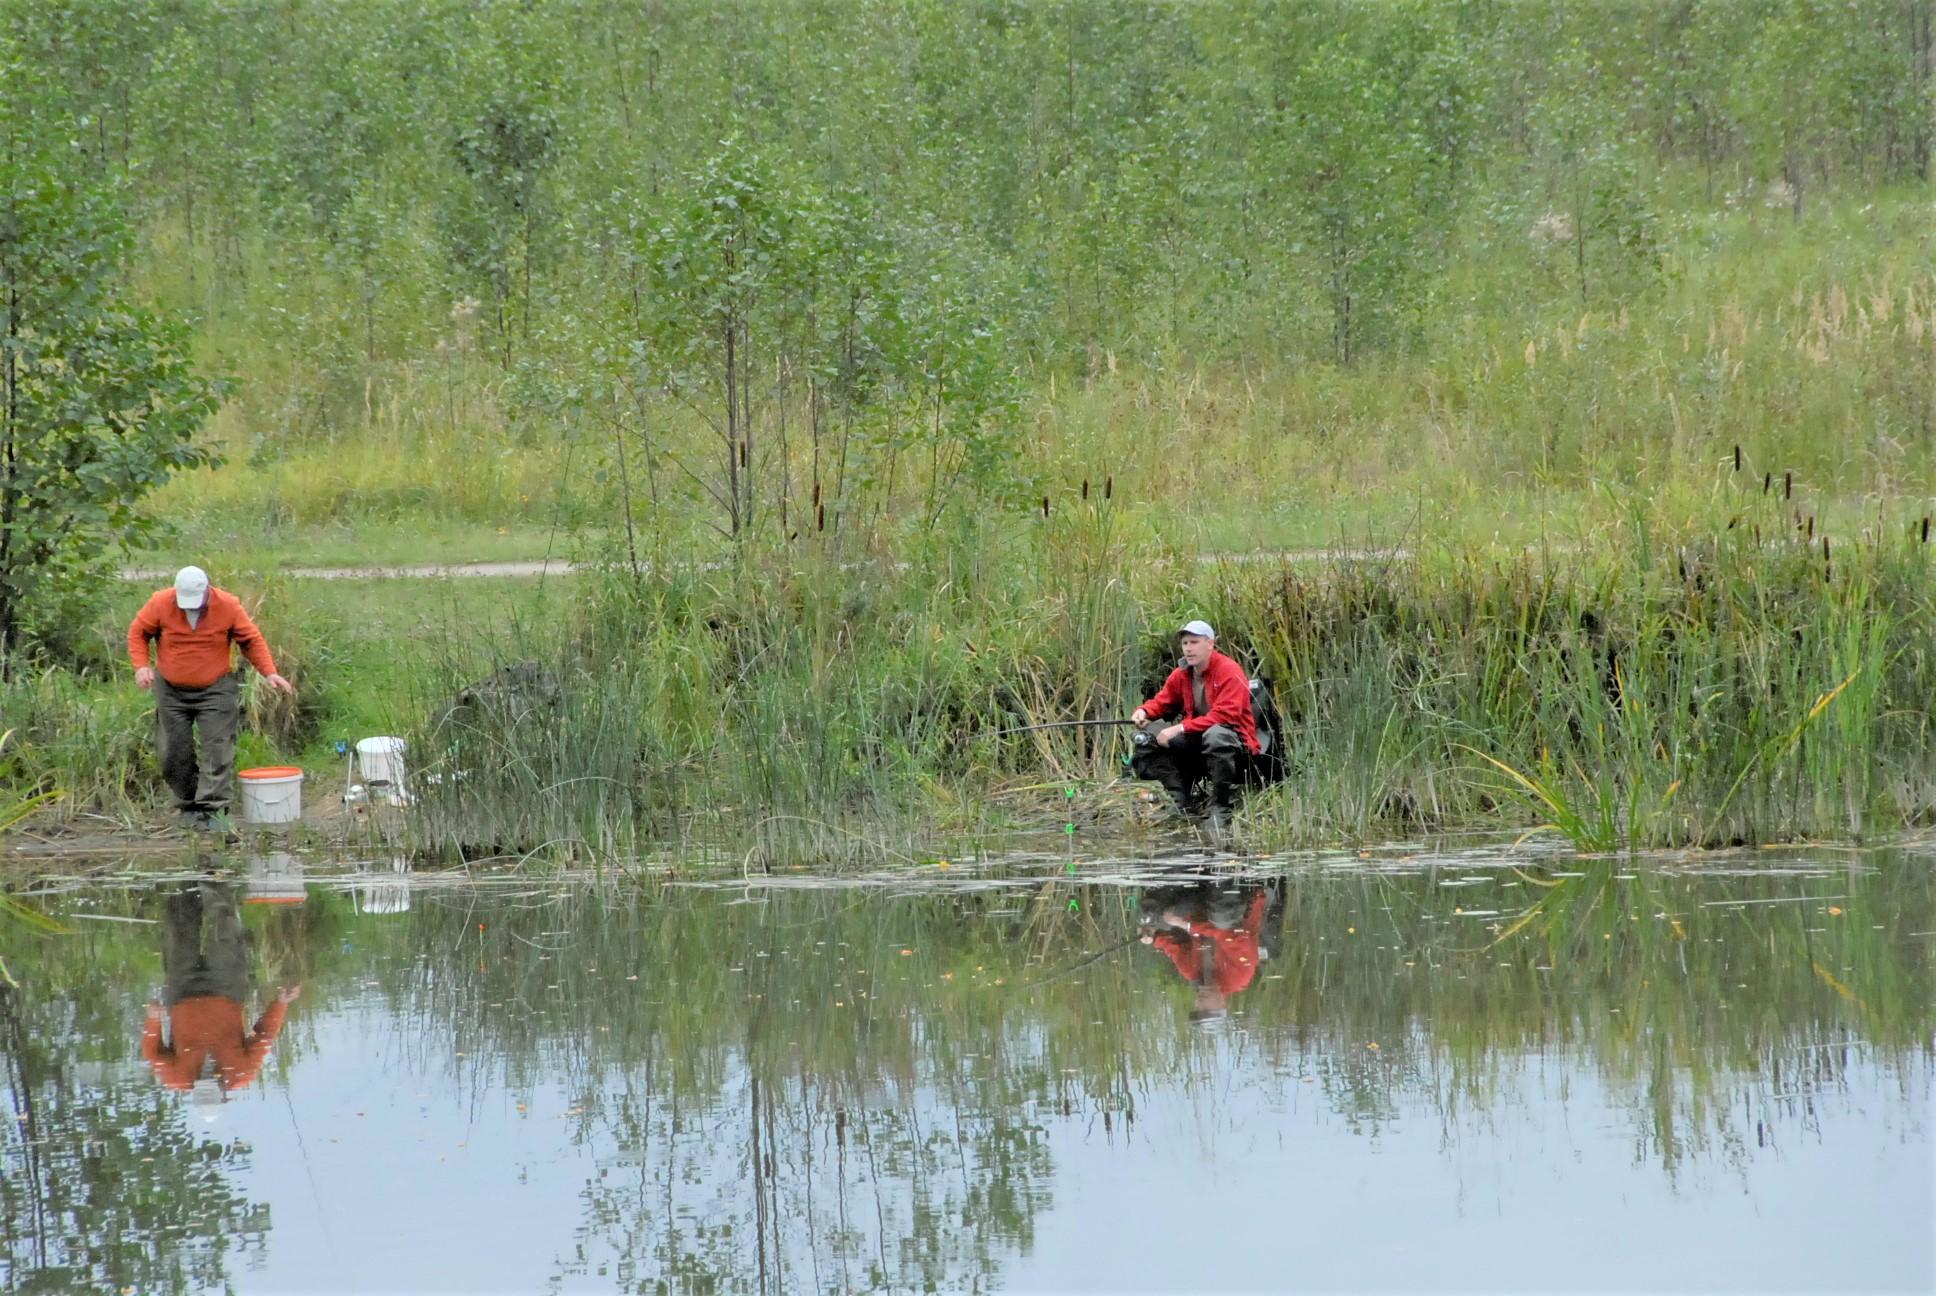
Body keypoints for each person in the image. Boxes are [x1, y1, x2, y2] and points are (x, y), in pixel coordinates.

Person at [127, 566, 294, 830]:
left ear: (207, 590)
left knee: (217, 747)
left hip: (215, 688)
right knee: (172, 750)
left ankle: (214, 809)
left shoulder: (227, 605)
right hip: (171, 689)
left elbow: (250, 640)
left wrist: (269, 672)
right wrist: (141, 666)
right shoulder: (160, 602)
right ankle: (189, 804)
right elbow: (138, 633)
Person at [142, 880, 300, 1112]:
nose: (208, 1073)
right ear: (224, 1091)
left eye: (203, 1079)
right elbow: (263, 1037)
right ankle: (212, 875)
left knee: (179, 932)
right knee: (225, 930)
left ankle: (182, 879)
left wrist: (154, 1020)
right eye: (212, 1079)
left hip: (181, 996)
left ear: (193, 1089)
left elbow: (151, 1051)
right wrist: (281, 1003)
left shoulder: (175, 1078)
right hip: (226, 991)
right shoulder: (242, 1073)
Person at [1129, 619, 1261, 828]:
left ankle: (1220, 807)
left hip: (1234, 741)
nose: (1188, 649)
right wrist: (1143, 711)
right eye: (1185, 643)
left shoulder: (1229, 670)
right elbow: (1163, 701)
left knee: (1215, 735)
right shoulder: (1182, 673)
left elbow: (1226, 715)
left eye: (1194, 642)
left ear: (1210, 644)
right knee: (1147, 737)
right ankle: (1180, 801)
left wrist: (1180, 728)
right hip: (1196, 739)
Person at [1139, 876, 1277, 1023]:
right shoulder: (1240, 976)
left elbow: (1172, 946)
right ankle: (1224, 870)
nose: (1199, 1003)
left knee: (1152, 917)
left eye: (1197, 1007)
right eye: (1207, 1008)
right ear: (1222, 1005)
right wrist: (1188, 926)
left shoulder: (1191, 973)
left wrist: (1151, 937)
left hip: (1198, 904)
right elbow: (1233, 934)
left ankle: (1172, 870)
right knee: (1222, 919)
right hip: (1239, 901)